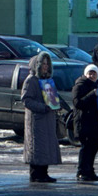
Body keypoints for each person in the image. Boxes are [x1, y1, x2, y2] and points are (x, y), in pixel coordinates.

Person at [21, 52, 62, 183]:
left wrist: (56, 104)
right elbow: (26, 100)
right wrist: (42, 107)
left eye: (47, 64)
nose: (45, 66)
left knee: (46, 146)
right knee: (37, 147)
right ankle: (36, 174)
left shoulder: (47, 80)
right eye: (42, 64)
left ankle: (44, 173)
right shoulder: (31, 80)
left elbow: (52, 97)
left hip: (47, 119)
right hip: (36, 120)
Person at [73, 64, 98, 181]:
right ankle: (81, 171)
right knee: (86, 148)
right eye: (90, 73)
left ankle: (90, 170)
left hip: (95, 124)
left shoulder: (96, 86)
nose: (91, 75)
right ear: (85, 74)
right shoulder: (79, 86)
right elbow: (78, 103)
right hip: (84, 123)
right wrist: (92, 95)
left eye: (94, 73)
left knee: (94, 147)